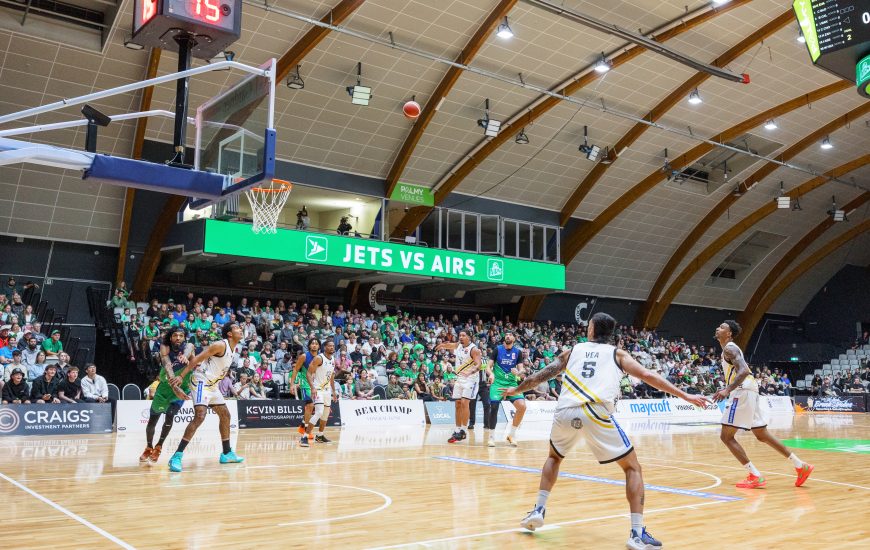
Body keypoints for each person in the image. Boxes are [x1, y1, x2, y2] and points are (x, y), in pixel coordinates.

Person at [501, 312, 710, 549]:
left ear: (591, 329)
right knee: (632, 468)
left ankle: (538, 509)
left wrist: (517, 389)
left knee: (554, 457)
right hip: (595, 411)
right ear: (610, 333)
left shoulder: (574, 350)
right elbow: (647, 375)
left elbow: (542, 374)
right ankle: (636, 533)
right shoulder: (617, 354)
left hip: (565, 411)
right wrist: (685, 395)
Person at [712, 320, 813, 489]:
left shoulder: (730, 348)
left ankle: (755, 475)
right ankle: (801, 465)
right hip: (750, 389)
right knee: (761, 434)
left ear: (729, 333)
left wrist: (727, 389)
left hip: (742, 390)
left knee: (726, 436)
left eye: (722, 327)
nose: (718, 328)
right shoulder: (728, 349)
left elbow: (744, 370)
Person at [168, 322, 245, 473]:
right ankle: (176, 456)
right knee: (200, 416)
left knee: (225, 415)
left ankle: (227, 453)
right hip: (201, 381)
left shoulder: (233, 348)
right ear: (229, 334)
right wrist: (182, 376)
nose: (240, 329)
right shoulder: (220, 345)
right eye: (237, 328)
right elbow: (196, 359)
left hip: (212, 385)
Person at [140, 328, 195, 464]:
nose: (178, 338)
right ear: (170, 338)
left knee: (170, 415)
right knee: (153, 421)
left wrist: (185, 356)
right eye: (175, 335)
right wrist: (174, 386)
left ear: (184, 337)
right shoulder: (165, 347)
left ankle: (159, 446)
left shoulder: (189, 346)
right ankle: (149, 446)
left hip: (182, 388)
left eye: (181, 335)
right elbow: (167, 365)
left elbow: (189, 348)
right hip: (165, 388)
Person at [486, 331, 525, 447]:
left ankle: (511, 435)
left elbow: (522, 370)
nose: (508, 336)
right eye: (506, 334)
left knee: (522, 407)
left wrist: (518, 372)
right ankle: (491, 437)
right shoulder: (497, 349)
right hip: (498, 383)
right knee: (494, 407)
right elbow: (488, 367)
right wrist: (491, 374)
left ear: (514, 338)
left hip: (511, 383)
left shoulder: (518, 352)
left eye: (510, 335)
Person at [303, 339, 337, 446]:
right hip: (318, 389)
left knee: (325, 415)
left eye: (333, 346)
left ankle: (320, 435)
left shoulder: (333, 359)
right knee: (319, 412)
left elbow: (331, 376)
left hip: (327, 391)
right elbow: (308, 373)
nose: (332, 347)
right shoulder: (319, 358)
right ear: (325, 347)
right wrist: (312, 387)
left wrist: (334, 391)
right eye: (330, 346)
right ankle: (304, 437)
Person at [289, 339, 319, 441]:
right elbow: (296, 369)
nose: (314, 345)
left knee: (313, 408)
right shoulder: (304, 356)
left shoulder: (320, 357)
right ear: (309, 346)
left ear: (319, 346)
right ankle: (306, 431)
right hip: (304, 384)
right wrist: (292, 384)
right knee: (310, 405)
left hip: (316, 384)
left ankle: (302, 426)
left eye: (316, 344)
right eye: (312, 343)